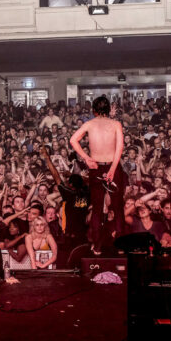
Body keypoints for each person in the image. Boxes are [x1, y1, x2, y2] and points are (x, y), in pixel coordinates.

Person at [69, 96, 125, 254]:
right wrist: (113, 169)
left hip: (96, 167)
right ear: (108, 110)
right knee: (117, 207)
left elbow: (73, 140)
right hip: (112, 165)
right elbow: (119, 148)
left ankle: (97, 246)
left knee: (97, 209)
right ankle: (120, 246)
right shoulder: (115, 124)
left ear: (93, 110)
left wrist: (87, 158)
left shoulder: (90, 124)